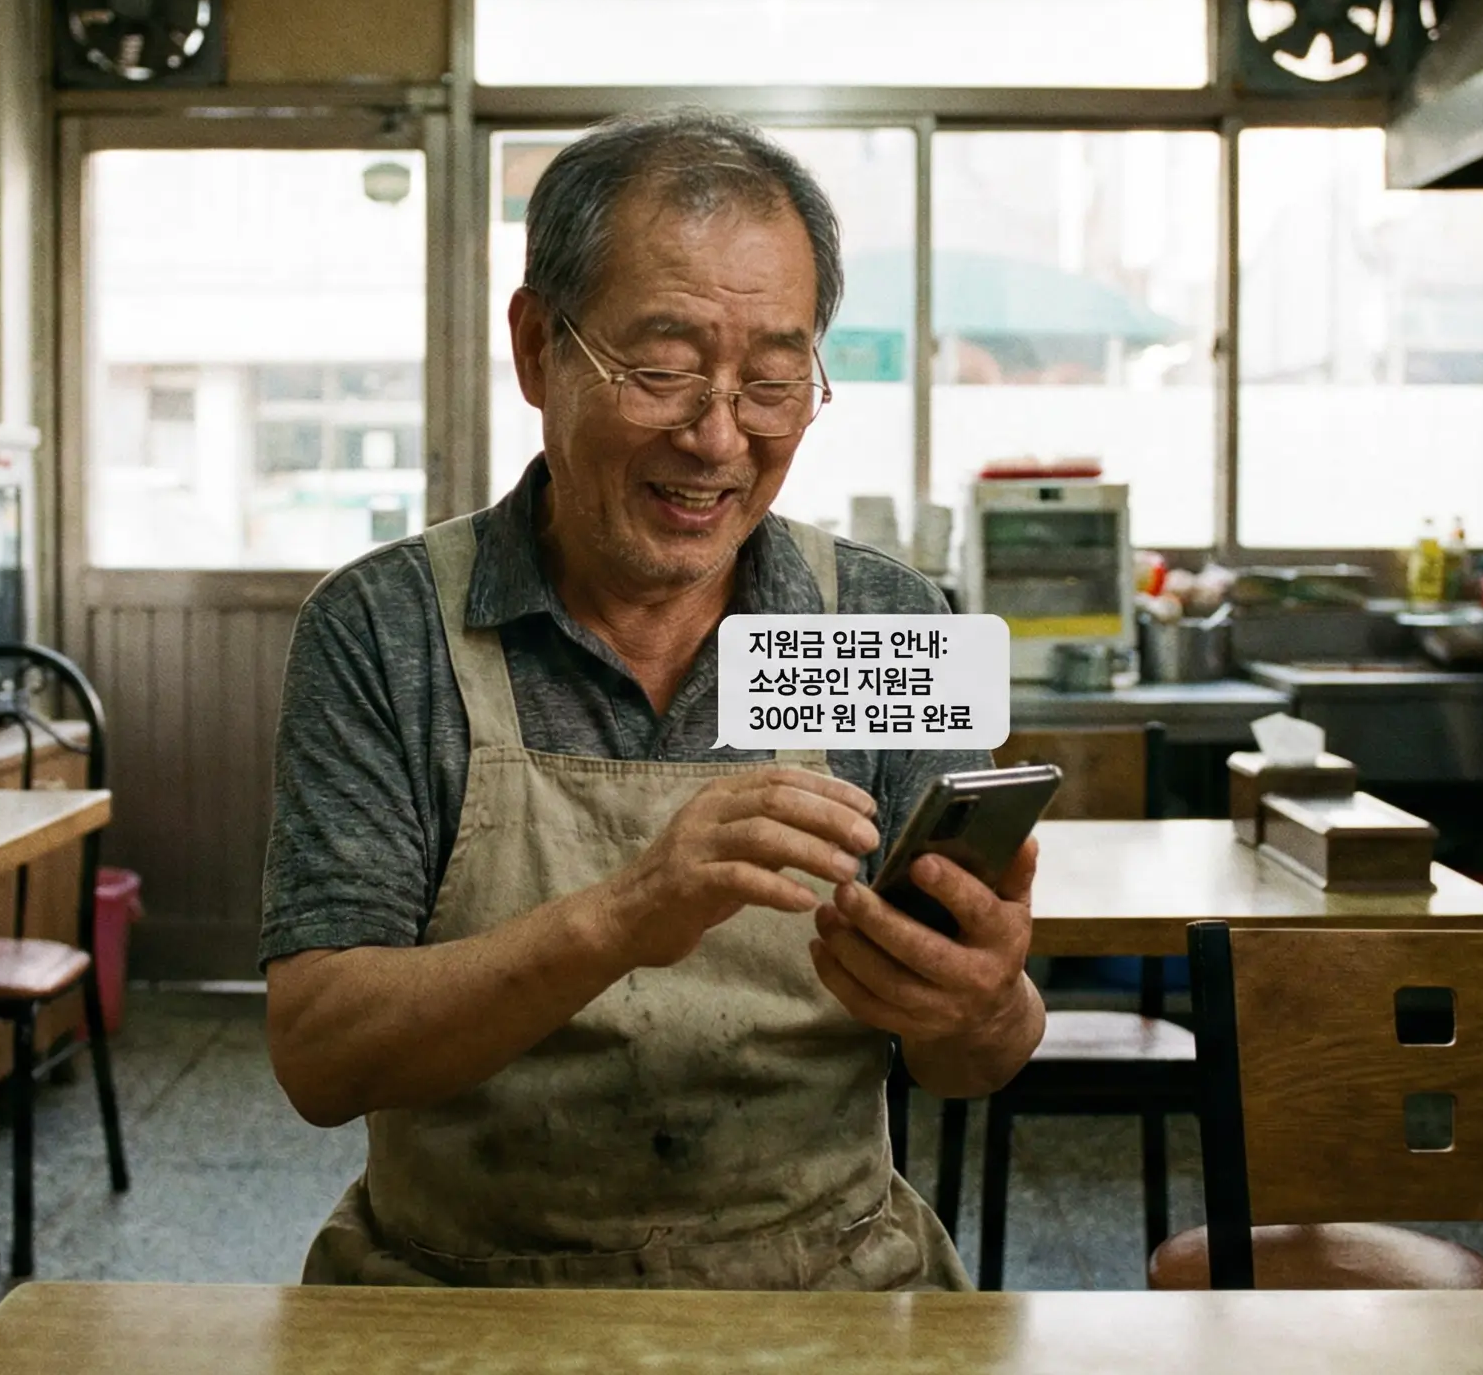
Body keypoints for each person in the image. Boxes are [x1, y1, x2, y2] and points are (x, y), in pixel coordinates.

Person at [259, 107, 1044, 1290]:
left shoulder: (896, 623)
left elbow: (977, 1062)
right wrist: (626, 914)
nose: (719, 436)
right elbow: (319, 1057)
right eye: (663, 369)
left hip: (822, 1294)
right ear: (536, 348)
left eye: (775, 380)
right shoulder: (386, 626)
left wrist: (980, 1007)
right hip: (458, 1295)